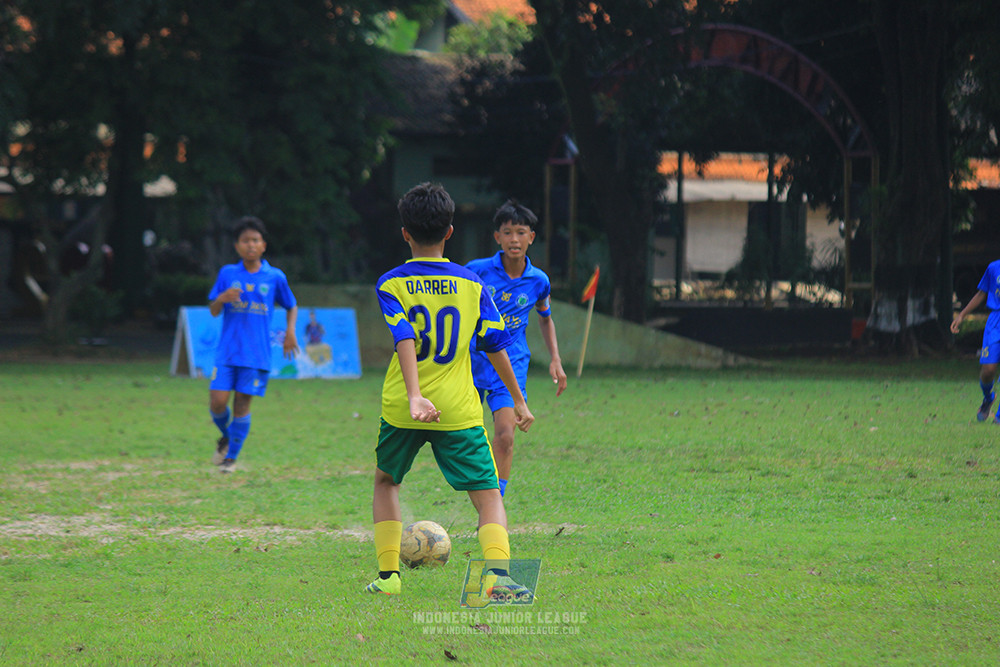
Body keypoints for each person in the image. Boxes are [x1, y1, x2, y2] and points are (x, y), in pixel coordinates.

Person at [367, 182, 535, 598]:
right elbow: (498, 345)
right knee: (489, 494)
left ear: (405, 233)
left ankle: (389, 579)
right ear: (450, 232)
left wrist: (413, 394)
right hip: (458, 409)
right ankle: (498, 579)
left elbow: (403, 336)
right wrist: (518, 398)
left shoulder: (391, 284)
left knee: (387, 482)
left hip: (405, 408)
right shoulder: (473, 285)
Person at [465, 200, 567, 497]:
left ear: (531, 238)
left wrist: (555, 359)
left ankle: (496, 501)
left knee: (506, 436)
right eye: (507, 232)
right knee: (465, 436)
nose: (514, 239)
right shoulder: (476, 271)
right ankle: (476, 486)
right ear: (497, 237)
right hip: (474, 361)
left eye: (521, 232)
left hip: (512, 364)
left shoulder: (539, 281)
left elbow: (545, 319)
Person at [207, 216, 299, 473]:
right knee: (217, 401)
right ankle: (228, 436)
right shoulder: (227, 274)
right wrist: (222, 299)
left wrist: (290, 332)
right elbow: (214, 310)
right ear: (237, 246)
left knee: (242, 405)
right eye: (245, 240)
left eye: (255, 240)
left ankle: (230, 459)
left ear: (263, 245)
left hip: (256, 354)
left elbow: (291, 305)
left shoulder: (274, 277)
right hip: (227, 352)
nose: (251, 245)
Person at [952, 259, 1000, 422]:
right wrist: (962, 315)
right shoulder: (994, 268)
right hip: (995, 322)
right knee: (988, 371)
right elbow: (981, 293)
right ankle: (988, 398)